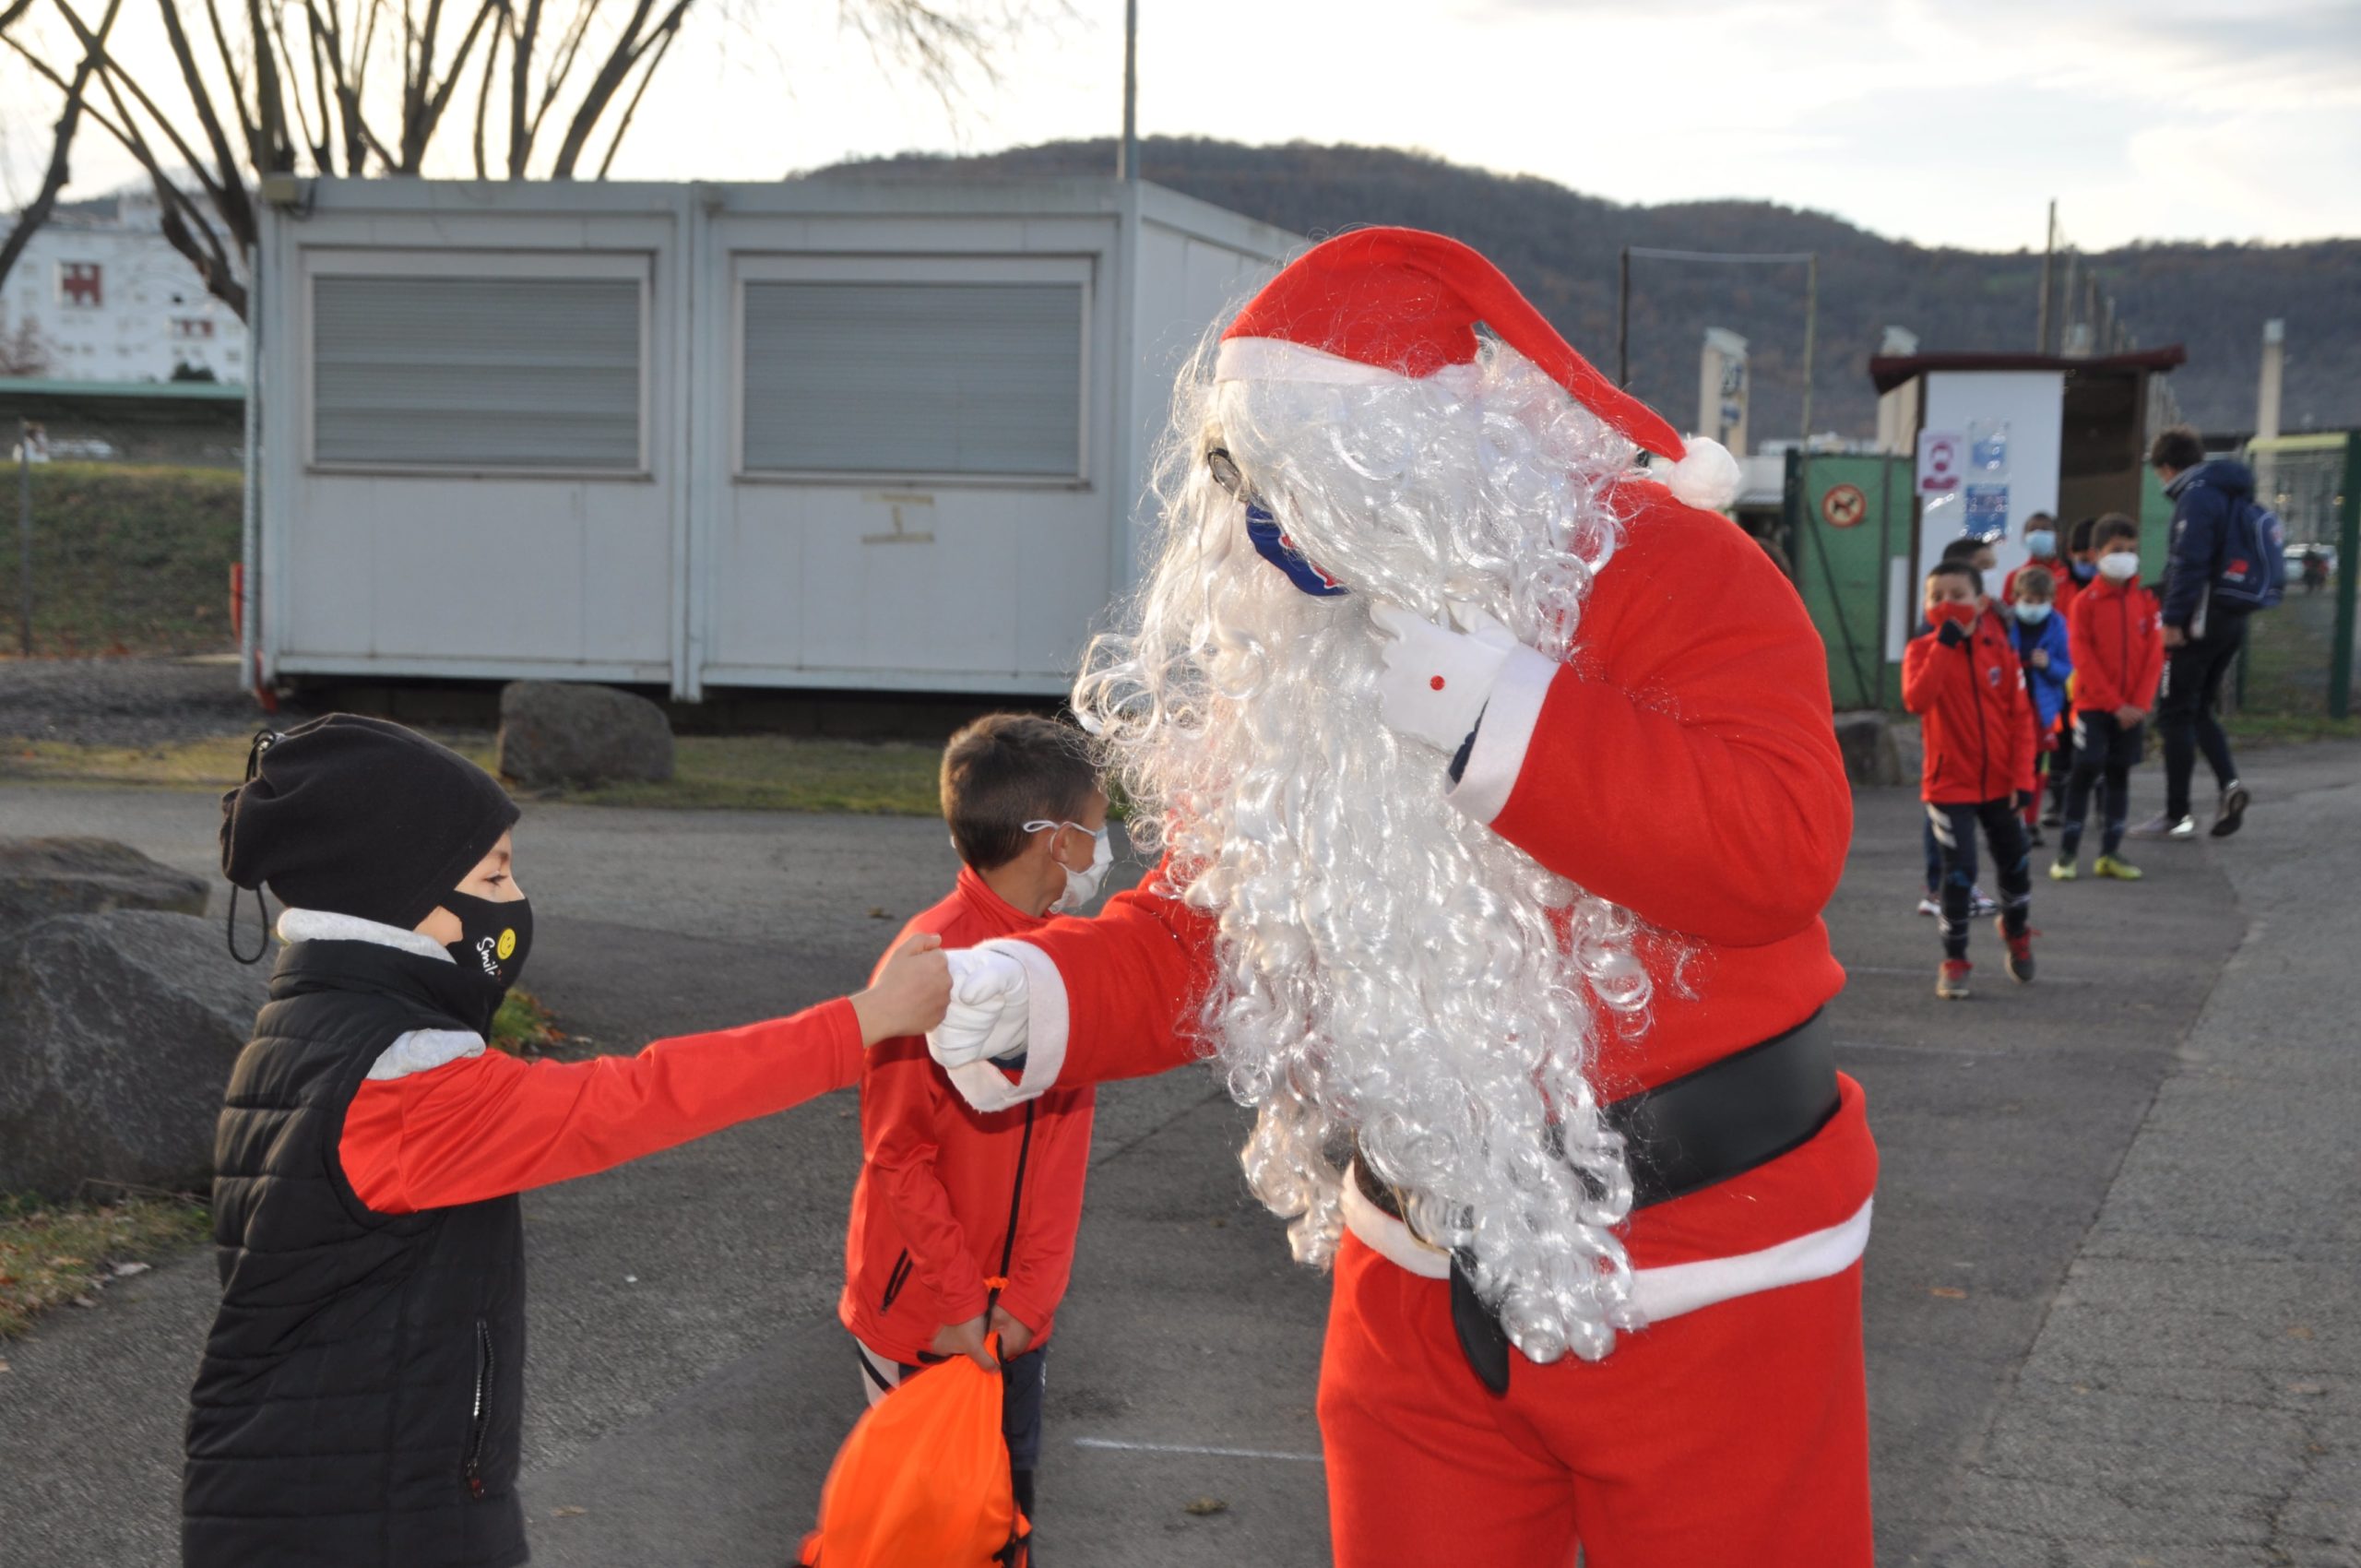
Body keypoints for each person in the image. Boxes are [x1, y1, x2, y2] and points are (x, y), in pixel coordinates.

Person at [926, 229, 1878, 1565]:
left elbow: (1778, 848)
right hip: (1414, 1276)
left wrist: (1508, 723)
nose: (1273, 541)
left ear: (1422, 470)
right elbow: (1222, 926)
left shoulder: (1673, 573)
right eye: (1251, 496)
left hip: (1708, 1268)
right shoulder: (1297, 646)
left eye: (1309, 497)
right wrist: (1036, 992)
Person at [189, 714, 952, 1568]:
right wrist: (867, 1022)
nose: (513, 902)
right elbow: (636, 1098)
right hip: (366, 1519)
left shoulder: (309, 1026)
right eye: (495, 874)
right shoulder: (403, 1075)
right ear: (412, 903)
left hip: (315, 1496)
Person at [838, 713, 1110, 1537]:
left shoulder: (1073, 958)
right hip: (926, 1319)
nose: (1105, 851)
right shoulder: (926, 965)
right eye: (1097, 831)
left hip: (1015, 1322)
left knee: (1004, 1521)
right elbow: (898, 1154)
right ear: (1055, 843)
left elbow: (1068, 1147)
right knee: (918, 1532)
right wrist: (961, 1303)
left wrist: (1028, 1299)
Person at [1904, 561, 2037, 999]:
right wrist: (1944, 644)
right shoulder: (1922, 650)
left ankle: (2016, 930)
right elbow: (1917, 700)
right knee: (1959, 872)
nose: (1947, 604)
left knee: (2016, 865)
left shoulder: (2001, 650)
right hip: (1949, 786)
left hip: (2001, 784)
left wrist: (2023, 778)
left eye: (1957, 595)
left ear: (1980, 603)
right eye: (1936, 596)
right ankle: (1955, 959)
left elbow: (2020, 718)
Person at [2132, 424, 2252, 841]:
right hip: (2232, 617)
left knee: (2174, 713)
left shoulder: (2197, 497)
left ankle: (2176, 814)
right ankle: (2229, 786)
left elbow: (2189, 563)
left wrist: (2172, 621)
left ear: (2167, 467)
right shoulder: (2232, 492)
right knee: (2200, 709)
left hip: (2197, 621)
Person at [2052, 517, 2165, 882]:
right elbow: (2082, 659)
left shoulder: (2146, 602)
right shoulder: (2084, 603)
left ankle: (2110, 852)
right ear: (2096, 554)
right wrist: (2114, 703)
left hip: (2132, 710)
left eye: (2131, 551)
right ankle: (2067, 853)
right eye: (2117, 551)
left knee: (2119, 774)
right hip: (2094, 707)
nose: (2126, 558)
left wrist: (2139, 704)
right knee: (2086, 769)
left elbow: (2154, 657)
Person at [1915, 532, 2007, 917]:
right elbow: (1917, 698)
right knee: (1943, 829)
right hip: (1947, 764)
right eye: (1983, 568)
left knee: (1979, 845)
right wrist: (1945, 645)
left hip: (1986, 764)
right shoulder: (1930, 636)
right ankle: (1938, 890)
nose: (1990, 575)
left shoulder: (1993, 624)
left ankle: (1961, 889)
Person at [2006, 565, 2072, 849]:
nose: (2034, 607)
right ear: (2016, 597)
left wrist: (2048, 665)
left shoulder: (2057, 625)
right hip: (2008, 707)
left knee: (2034, 766)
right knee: (2009, 765)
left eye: (2040, 601)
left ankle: (2029, 821)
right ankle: (2009, 820)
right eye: (2028, 600)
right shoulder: (2006, 623)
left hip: (2041, 708)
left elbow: (2066, 668)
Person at [2001, 512, 2060, 604]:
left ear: (2058, 536)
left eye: (2045, 529)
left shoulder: (2068, 575)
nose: (2038, 533)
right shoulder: (2014, 577)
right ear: (2024, 537)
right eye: (2033, 529)